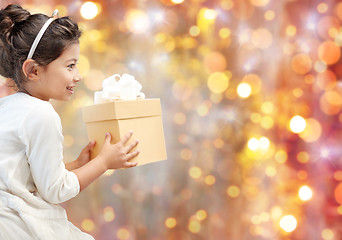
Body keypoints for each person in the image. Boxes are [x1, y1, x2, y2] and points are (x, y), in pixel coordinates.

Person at [0, 4, 139, 239]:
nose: (78, 75)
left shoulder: (7, 106)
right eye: (70, 65)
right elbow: (55, 191)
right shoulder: (41, 114)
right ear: (33, 71)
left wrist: (77, 164)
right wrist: (103, 162)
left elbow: (28, 179)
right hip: (19, 225)